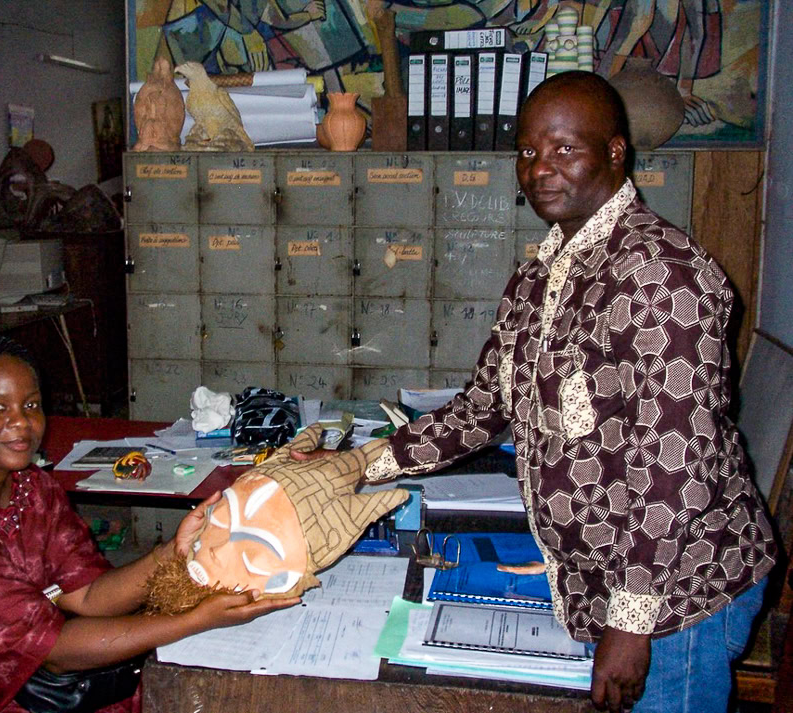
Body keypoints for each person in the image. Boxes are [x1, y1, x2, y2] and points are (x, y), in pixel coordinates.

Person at [298, 71, 777, 713]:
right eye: (527, 152)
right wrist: (358, 465)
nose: (539, 170)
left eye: (563, 150)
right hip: (601, 575)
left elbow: (675, 466)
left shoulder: (662, 276)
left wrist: (632, 624)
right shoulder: (540, 273)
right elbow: (481, 408)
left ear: (615, 153)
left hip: (677, 587)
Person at [0, 335, 298, 713]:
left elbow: (89, 594)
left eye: (31, 405)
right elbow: (53, 650)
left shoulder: (31, 488)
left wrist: (171, 552)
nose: (21, 422)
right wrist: (198, 619)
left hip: (45, 686)